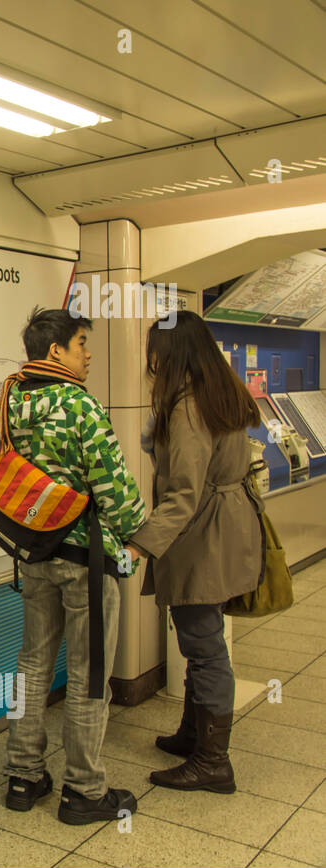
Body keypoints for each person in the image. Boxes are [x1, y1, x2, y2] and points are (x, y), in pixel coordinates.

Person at [2, 308, 146, 825]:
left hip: (35, 553)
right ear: (56, 350)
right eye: (81, 343)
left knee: (32, 664)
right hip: (86, 558)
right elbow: (115, 490)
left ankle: (23, 776)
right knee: (89, 675)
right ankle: (83, 790)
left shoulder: (11, 402)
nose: (88, 354)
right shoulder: (79, 404)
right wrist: (140, 533)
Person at [123, 311, 261, 794]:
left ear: (172, 354)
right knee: (200, 637)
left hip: (204, 535)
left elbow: (183, 493)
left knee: (203, 647)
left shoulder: (187, 407)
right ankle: (192, 734)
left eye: (155, 353)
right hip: (227, 528)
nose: (152, 363)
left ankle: (212, 761)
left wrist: (139, 544)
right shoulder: (221, 390)